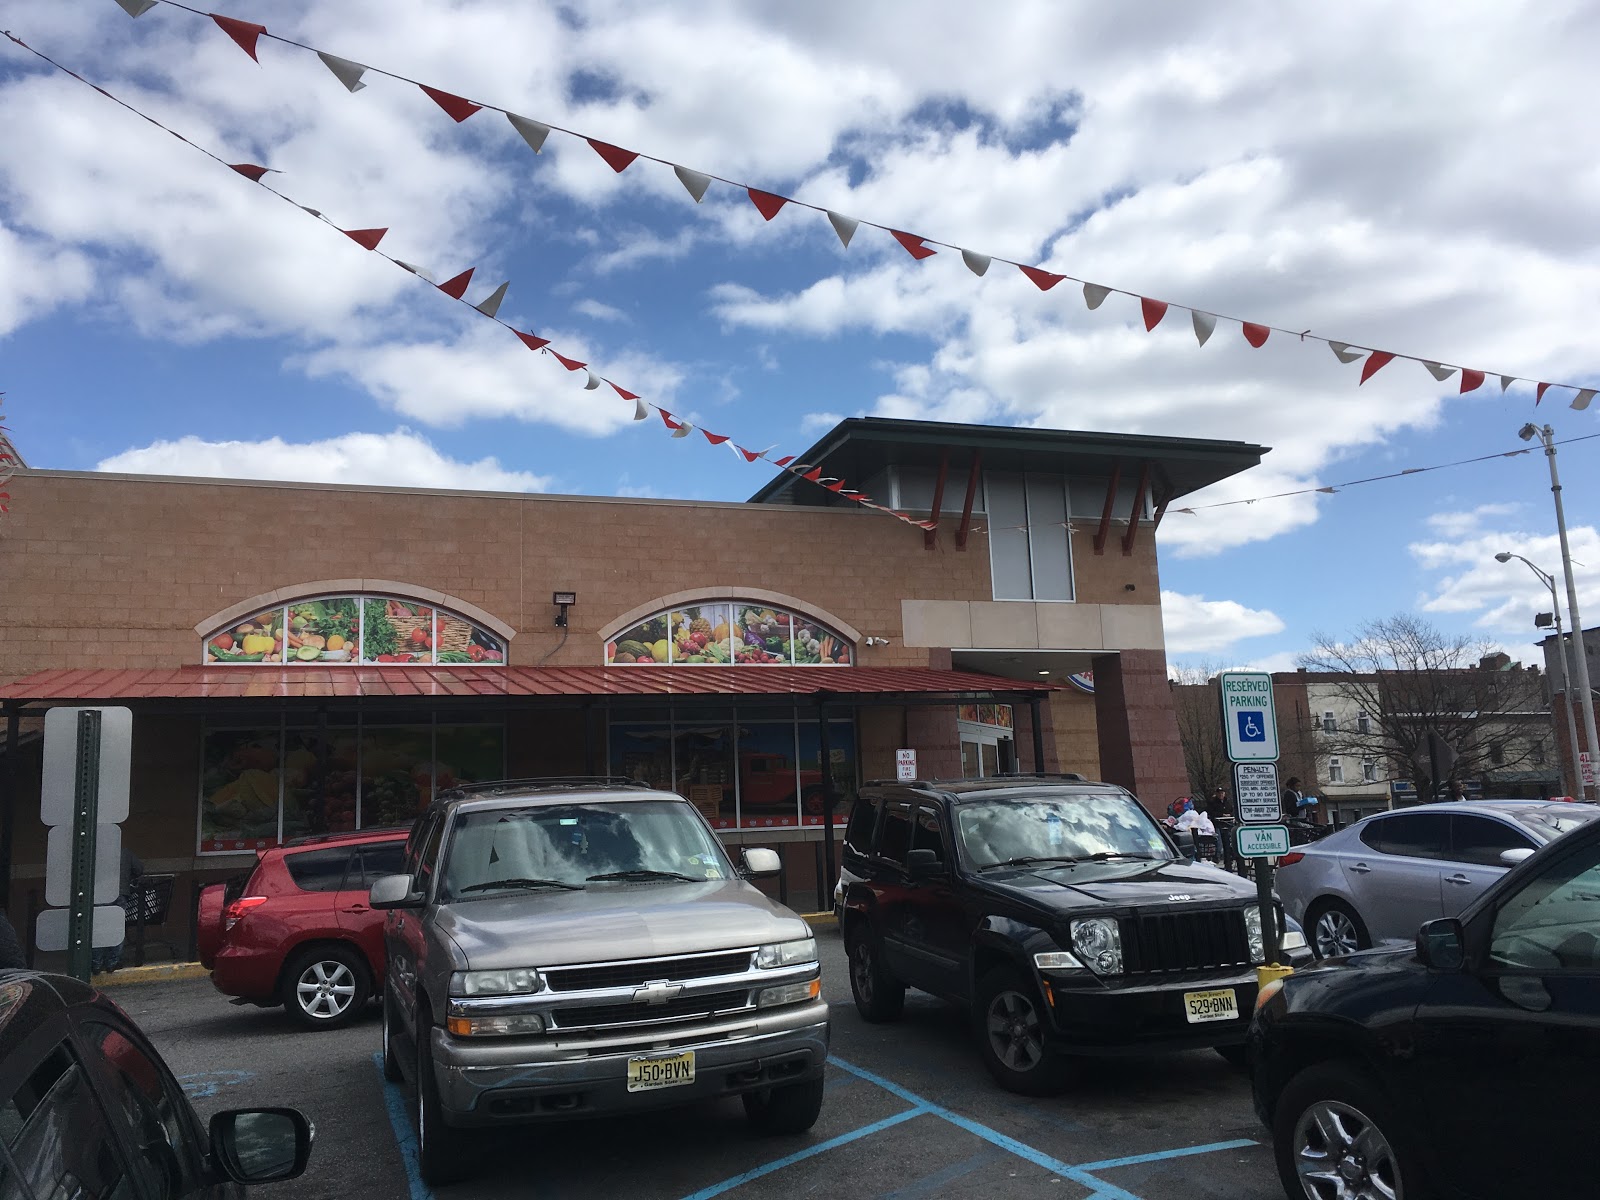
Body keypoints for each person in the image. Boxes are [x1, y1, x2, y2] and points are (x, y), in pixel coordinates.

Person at [91, 847, 145, 975]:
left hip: (100, 893)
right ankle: (113, 962)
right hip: (120, 893)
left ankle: (96, 963)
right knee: (117, 927)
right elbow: (139, 869)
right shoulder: (125, 852)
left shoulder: (96, 851)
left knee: (99, 929)